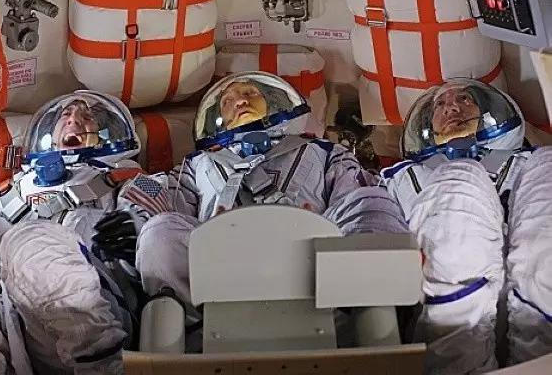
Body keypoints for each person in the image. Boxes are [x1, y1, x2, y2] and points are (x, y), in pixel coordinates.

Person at [94, 71, 409, 306]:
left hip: (314, 263)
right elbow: (156, 192)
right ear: (221, 118)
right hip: (216, 266)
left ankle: (367, 309)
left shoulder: (322, 151)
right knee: (160, 230)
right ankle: (186, 326)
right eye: (228, 101)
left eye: (249, 93)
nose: (240, 101)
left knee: (371, 199)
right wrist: (134, 218)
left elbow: (355, 199)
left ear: (271, 104)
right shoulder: (199, 164)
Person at [0, 90, 160, 374]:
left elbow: (160, 230)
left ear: (107, 134)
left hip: (95, 321)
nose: (73, 120)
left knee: (31, 241)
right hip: (5, 331)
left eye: (87, 116)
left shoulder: (132, 181)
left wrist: (135, 231)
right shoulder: (2, 195)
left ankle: (103, 366)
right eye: (65, 115)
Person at [382, 78, 552, 373]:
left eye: (464, 99)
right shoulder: (402, 178)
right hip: (444, 320)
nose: (451, 108)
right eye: (440, 105)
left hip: (536, 315)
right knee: (458, 179)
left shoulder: (532, 163)